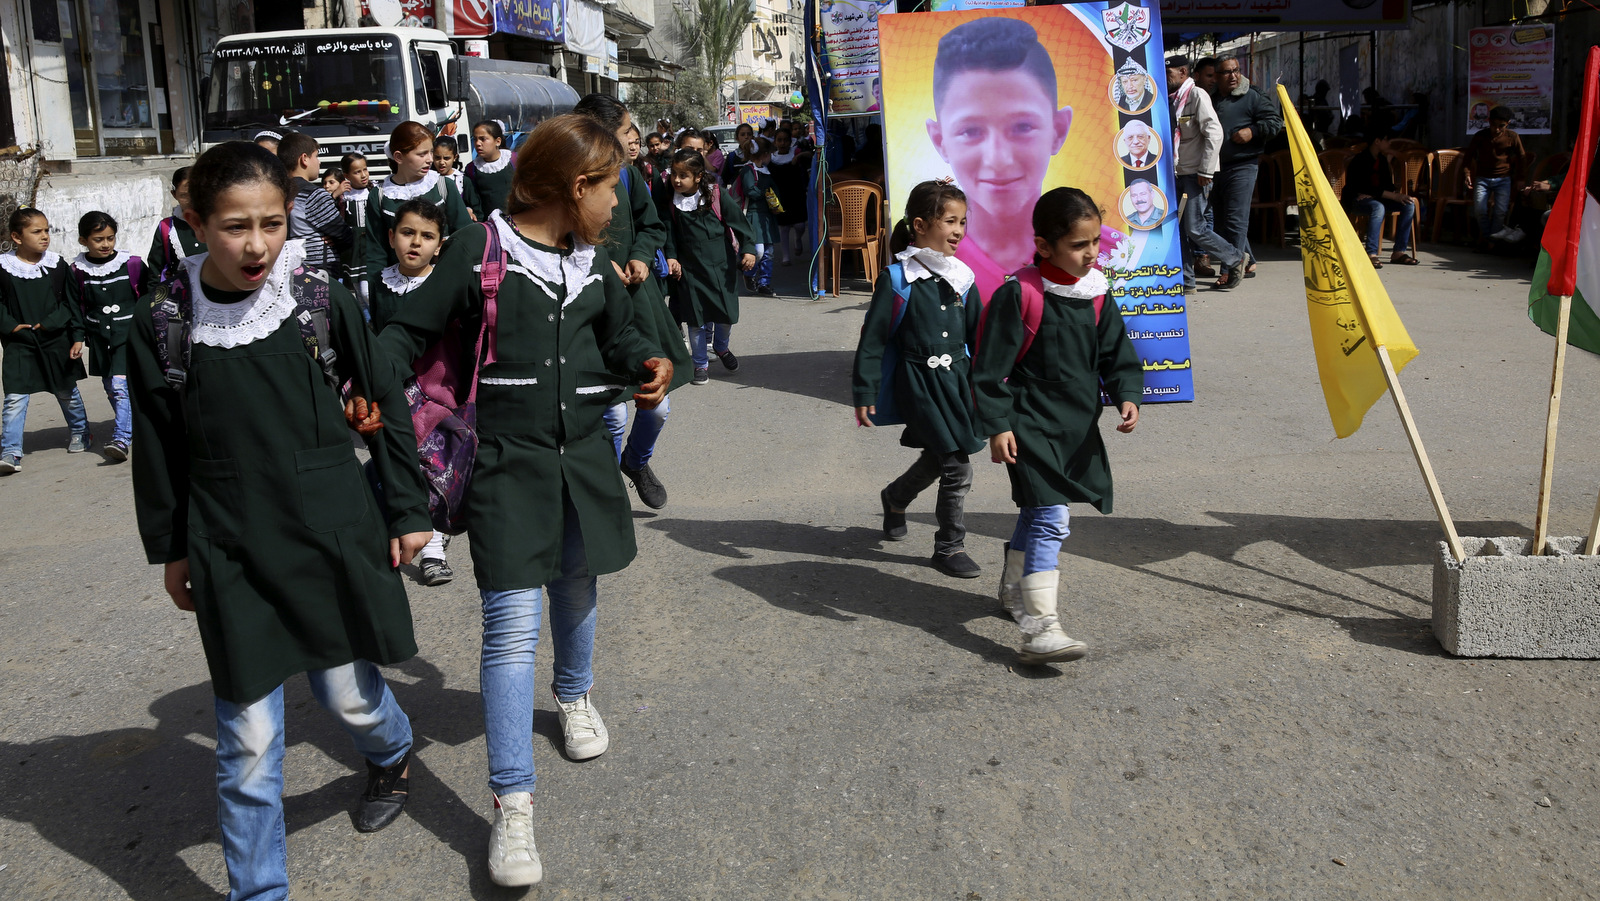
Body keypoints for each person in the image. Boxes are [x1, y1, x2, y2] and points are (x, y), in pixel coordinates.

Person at [126, 141, 433, 901]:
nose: (257, 244)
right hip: (228, 540)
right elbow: (158, 448)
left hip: (328, 526)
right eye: (234, 226)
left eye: (271, 222)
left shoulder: (318, 299)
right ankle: (259, 890)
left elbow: (386, 401)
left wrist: (406, 508)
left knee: (347, 694)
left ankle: (393, 752)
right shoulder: (163, 323)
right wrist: (170, 547)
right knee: (250, 737)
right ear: (195, 222)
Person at [376, 113, 672, 888]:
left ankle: (574, 696)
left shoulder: (594, 259)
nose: (618, 205)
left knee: (578, 585)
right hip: (507, 468)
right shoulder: (480, 246)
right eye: (612, 189)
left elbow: (624, 335)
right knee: (510, 626)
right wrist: (374, 396)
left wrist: (647, 360)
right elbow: (401, 336)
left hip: (586, 467)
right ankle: (513, 802)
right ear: (578, 187)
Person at [971, 187, 1143, 664]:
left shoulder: (1096, 294)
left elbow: (1117, 354)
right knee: (1052, 518)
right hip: (1028, 425)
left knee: (1037, 509)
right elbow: (988, 370)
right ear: (1044, 246)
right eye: (1078, 245)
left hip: (1075, 426)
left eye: (1094, 243)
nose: (1090, 253)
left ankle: (1012, 590)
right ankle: (1040, 625)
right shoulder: (1018, 293)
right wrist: (998, 424)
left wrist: (1128, 393)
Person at [852, 180, 985, 579]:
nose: (959, 230)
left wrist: (992, 387)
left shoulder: (963, 276)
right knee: (957, 466)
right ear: (920, 224)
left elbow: (980, 338)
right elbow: (873, 340)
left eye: (963, 221)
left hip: (956, 384)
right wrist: (864, 390)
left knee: (938, 456)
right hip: (919, 385)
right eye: (950, 221)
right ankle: (949, 547)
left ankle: (895, 497)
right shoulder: (897, 279)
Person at [574, 93, 692, 511]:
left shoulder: (628, 176)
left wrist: (641, 256)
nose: (632, 139)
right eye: (626, 131)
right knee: (611, 413)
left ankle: (636, 463)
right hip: (590, 311)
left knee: (656, 407)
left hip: (636, 304)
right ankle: (604, 491)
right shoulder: (569, 178)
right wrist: (606, 268)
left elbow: (651, 223)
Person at [926, 17, 1074, 301]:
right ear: (939, 140)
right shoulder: (930, 261)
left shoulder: (1110, 254)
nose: (999, 159)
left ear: (1058, 130)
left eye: (1022, 127)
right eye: (970, 131)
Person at [369, 198, 455, 586]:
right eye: (407, 233)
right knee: (401, 464)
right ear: (391, 237)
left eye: (426, 236)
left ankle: (435, 550)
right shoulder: (379, 283)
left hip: (440, 389)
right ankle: (397, 531)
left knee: (435, 468)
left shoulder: (448, 282)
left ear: (440, 244)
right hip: (394, 388)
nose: (415, 243)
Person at [0, 208, 90, 472]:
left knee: (65, 390)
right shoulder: (4, 268)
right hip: (20, 342)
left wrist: (76, 337)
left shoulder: (57, 265)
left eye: (47, 230)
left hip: (55, 340)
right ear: (17, 237)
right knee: (15, 397)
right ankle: (11, 451)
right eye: (36, 231)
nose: (45, 237)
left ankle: (81, 431)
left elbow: (71, 303)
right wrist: (11, 326)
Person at [661, 148, 757, 385]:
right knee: (695, 319)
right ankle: (700, 364)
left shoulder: (716, 195)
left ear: (698, 176)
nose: (677, 180)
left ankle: (722, 348)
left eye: (683, 175)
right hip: (689, 269)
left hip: (721, 266)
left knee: (726, 314)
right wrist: (671, 257)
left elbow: (740, 223)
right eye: (674, 174)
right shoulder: (671, 200)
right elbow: (669, 233)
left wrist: (749, 249)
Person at [68, 211, 146, 462]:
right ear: (83, 241)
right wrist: (78, 337)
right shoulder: (77, 270)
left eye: (110, 238)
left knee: (120, 387)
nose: (105, 244)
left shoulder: (131, 264)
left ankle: (121, 437)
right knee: (110, 388)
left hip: (128, 337)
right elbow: (75, 306)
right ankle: (132, 426)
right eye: (98, 239)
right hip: (100, 341)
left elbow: (147, 298)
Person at [1167, 55, 1244, 292]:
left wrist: (1206, 170)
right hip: (1177, 173)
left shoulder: (1196, 95)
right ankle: (1187, 281)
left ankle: (1235, 258)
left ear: (1182, 72)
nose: (1166, 77)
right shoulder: (1171, 100)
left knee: (1195, 227)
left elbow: (1215, 133)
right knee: (1177, 230)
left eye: (1169, 72)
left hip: (1195, 174)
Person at [363, 121, 474, 281]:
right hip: (398, 284)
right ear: (399, 157)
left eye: (430, 152)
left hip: (444, 278)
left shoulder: (443, 185)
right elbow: (376, 251)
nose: (430, 159)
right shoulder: (379, 195)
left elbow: (465, 235)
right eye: (422, 154)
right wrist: (379, 295)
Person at [1211, 56, 1282, 285]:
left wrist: (1253, 131)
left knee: (1235, 220)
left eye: (1236, 70)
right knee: (1221, 221)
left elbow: (1275, 122)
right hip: (1214, 168)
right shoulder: (1211, 98)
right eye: (1227, 72)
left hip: (1243, 165)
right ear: (1216, 76)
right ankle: (1247, 259)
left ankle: (1230, 269)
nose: (1233, 75)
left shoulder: (1252, 95)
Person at [1343, 129, 1421, 267]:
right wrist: (1383, 194)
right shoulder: (1360, 159)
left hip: (1377, 199)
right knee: (1378, 207)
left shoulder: (1382, 160)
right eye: (1386, 139)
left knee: (1408, 205)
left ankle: (1399, 252)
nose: (1389, 143)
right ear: (1377, 141)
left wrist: (1389, 194)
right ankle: (1371, 253)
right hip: (1358, 201)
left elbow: (1387, 187)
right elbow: (1361, 187)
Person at [279, 132, 354, 272]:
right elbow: (345, 236)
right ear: (304, 159)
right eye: (316, 156)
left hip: (284, 268)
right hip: (317, 274)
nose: (319, 162)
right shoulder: (314, 195)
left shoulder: (276, 192)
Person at [1464, 105, 1527, 247]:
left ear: (1508, 124)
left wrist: (1521, 178)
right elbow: (1468, 157)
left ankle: (1492, 242)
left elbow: (1522, 157)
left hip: (1503, 178)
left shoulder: (1512, 137)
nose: (1497, 129)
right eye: (1493, 125)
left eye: (1501, 126)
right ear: (1489, 122)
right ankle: (1490, 238)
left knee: (1500, 211)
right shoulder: (1481, 136)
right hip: (1482, 178)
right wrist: (1467, 173)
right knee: (1480, 209)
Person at [737, 137, 781, 297]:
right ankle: (748, 274)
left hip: (766, 215)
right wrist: (766, 194)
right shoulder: (748, 170)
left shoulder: (765, 170)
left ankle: (764, 283)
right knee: (758, 251)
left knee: (769, 251)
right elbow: (750, 190)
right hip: (753, 214)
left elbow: (773, 189)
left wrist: (777, 202)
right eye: (770, 153)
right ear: (764, 154)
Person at [148, 167, 206, 288]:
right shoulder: (167, 227)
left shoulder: (217, 222)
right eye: (184, 195)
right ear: (174, 195)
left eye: (196, 193)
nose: (191, 200)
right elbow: (155, 270)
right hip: (182, 298)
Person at [771, 127, 812, 265]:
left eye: (785, 140)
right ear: (775, 142)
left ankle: (798, 239)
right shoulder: (772, 158)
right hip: (780, 196)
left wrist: (799, 157)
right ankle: (786, 256)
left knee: (800, 225)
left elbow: (811, 155)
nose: (782, 143)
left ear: (790, 141)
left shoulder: (796, 153)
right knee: (784, 227)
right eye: (779, 140)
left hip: (796, 194)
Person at [466, 120, 516, 217]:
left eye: (483, 139)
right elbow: (472, 199)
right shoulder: (472, 169)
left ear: (497, 141)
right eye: (475, 139)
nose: (478, 143)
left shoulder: (513, 160)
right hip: (490, 223)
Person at [434, 135, 483, 221]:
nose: (441, 162)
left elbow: (476, 209)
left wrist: (469, 211)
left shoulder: (463, 180)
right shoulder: (428, 181)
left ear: (455, 157)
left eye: (446, 158)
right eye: (437, 158)